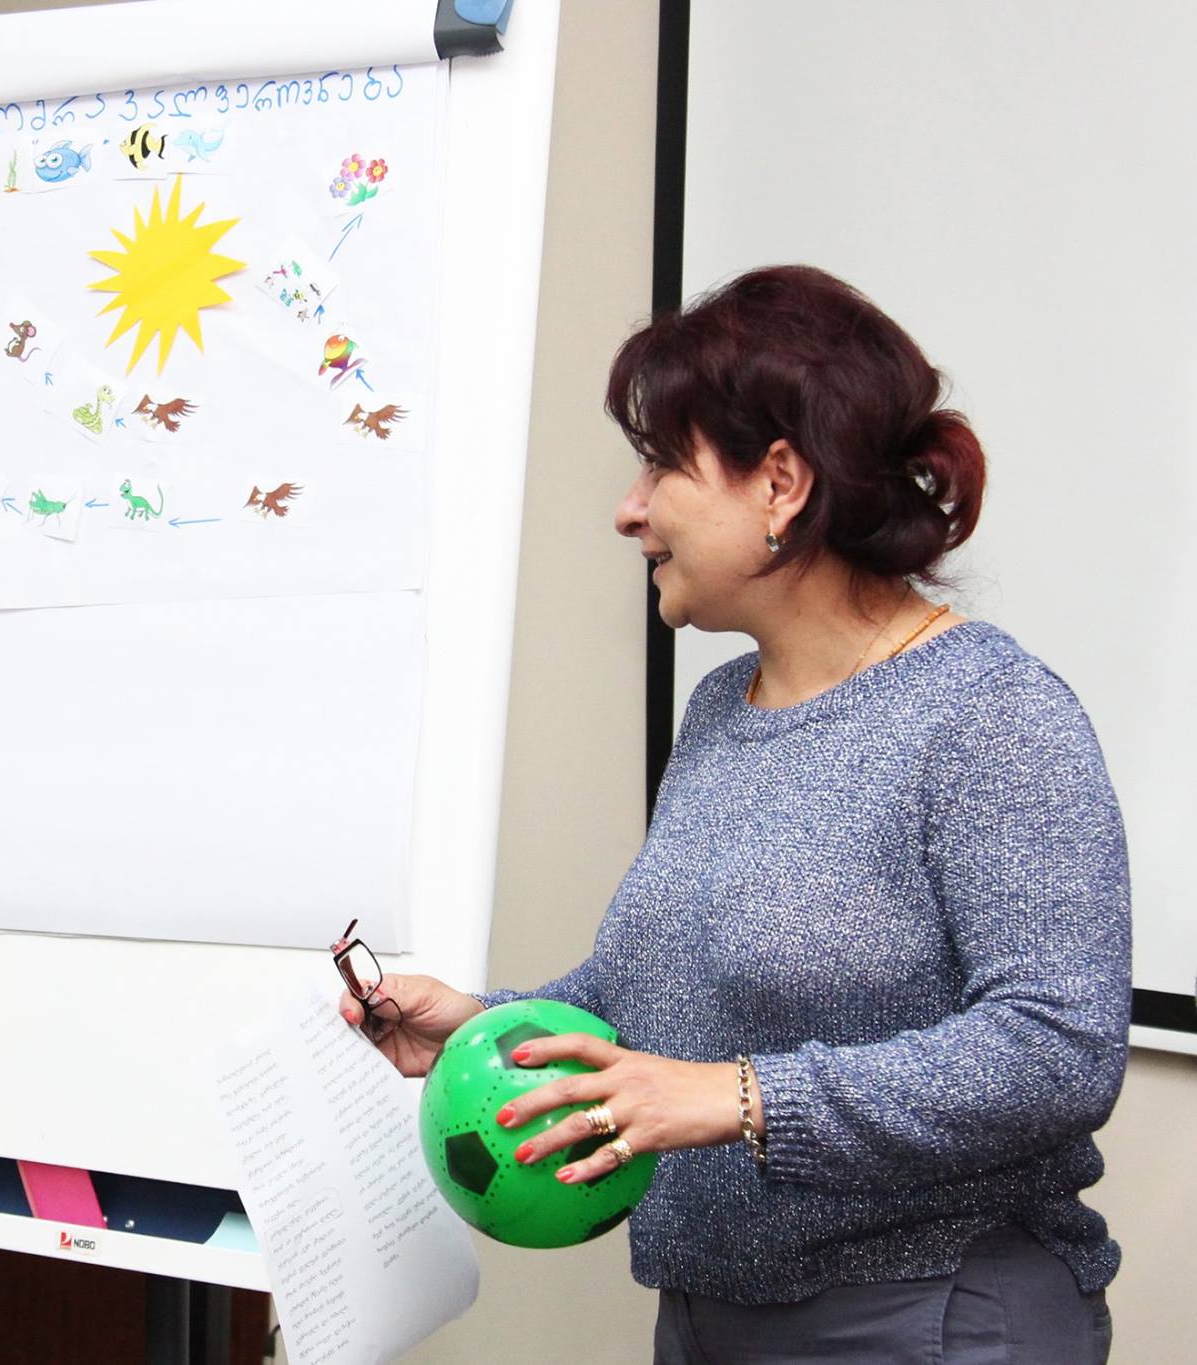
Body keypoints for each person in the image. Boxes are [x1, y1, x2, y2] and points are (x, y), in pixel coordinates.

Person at [342, 267, 1128, 1362]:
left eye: (660, 464)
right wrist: (485, 1020)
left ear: (780, 484)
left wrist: (743, 1098)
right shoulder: (721, 707)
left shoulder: (989, 714)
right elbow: (662, 1003)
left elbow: (1057, 1050)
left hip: (930, 1317)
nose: (628, 510)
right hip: (708, 1315)